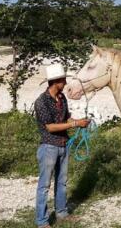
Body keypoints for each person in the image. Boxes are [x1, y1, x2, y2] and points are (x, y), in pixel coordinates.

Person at [34, 64, 90, 228]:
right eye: (63, 80)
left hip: (63, 145)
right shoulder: (41, 102)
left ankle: (62, 213)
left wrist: (78, 123)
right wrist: (75, 124)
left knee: (62, 182)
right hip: (48, 147)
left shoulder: (62, 98)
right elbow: (50, 127)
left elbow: (65, 119)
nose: (65, 83)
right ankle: (42, 222)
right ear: (55, 81)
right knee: (44, 186)